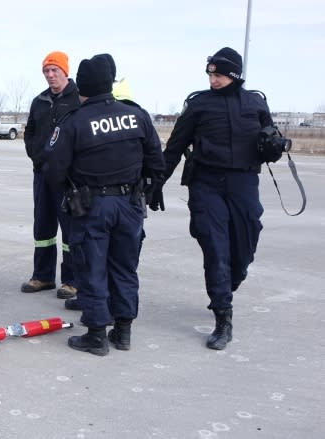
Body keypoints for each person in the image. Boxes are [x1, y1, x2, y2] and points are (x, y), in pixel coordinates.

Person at [156, 47, 274, 350]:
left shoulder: (255, 103)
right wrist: (154, 183)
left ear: (233, 75)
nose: (213, 79)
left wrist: (273, 146)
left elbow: (268, 142)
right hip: (206, 183)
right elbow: (174, 148)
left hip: (243, 183)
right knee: (215, 248)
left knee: (246, 243)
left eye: (219, 74)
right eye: (210, 74)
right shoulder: (199, 105)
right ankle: (223, 318)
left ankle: (232, 280)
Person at [48, 55, 165, 356]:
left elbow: (54, 169)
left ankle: (97, 335)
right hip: (130, 204)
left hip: (92, 206)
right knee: (125, 268)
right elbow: (156, 160)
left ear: (83, 87)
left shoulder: (74, 121)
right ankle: (123, 332)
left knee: (92, 268)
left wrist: (67, 197)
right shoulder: (136, 115)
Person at [20, 51, 80, 299]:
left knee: (71, 229)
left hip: (68, 178)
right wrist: (38, 157)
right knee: (43, 226)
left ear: (65, 71)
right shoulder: (40, 101)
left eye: (54, 70)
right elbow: (30, 134)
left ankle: (71, 280)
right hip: (42, 174)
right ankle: (43, 276)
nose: (50, 75)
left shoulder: (79, 99)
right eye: (46, 71)